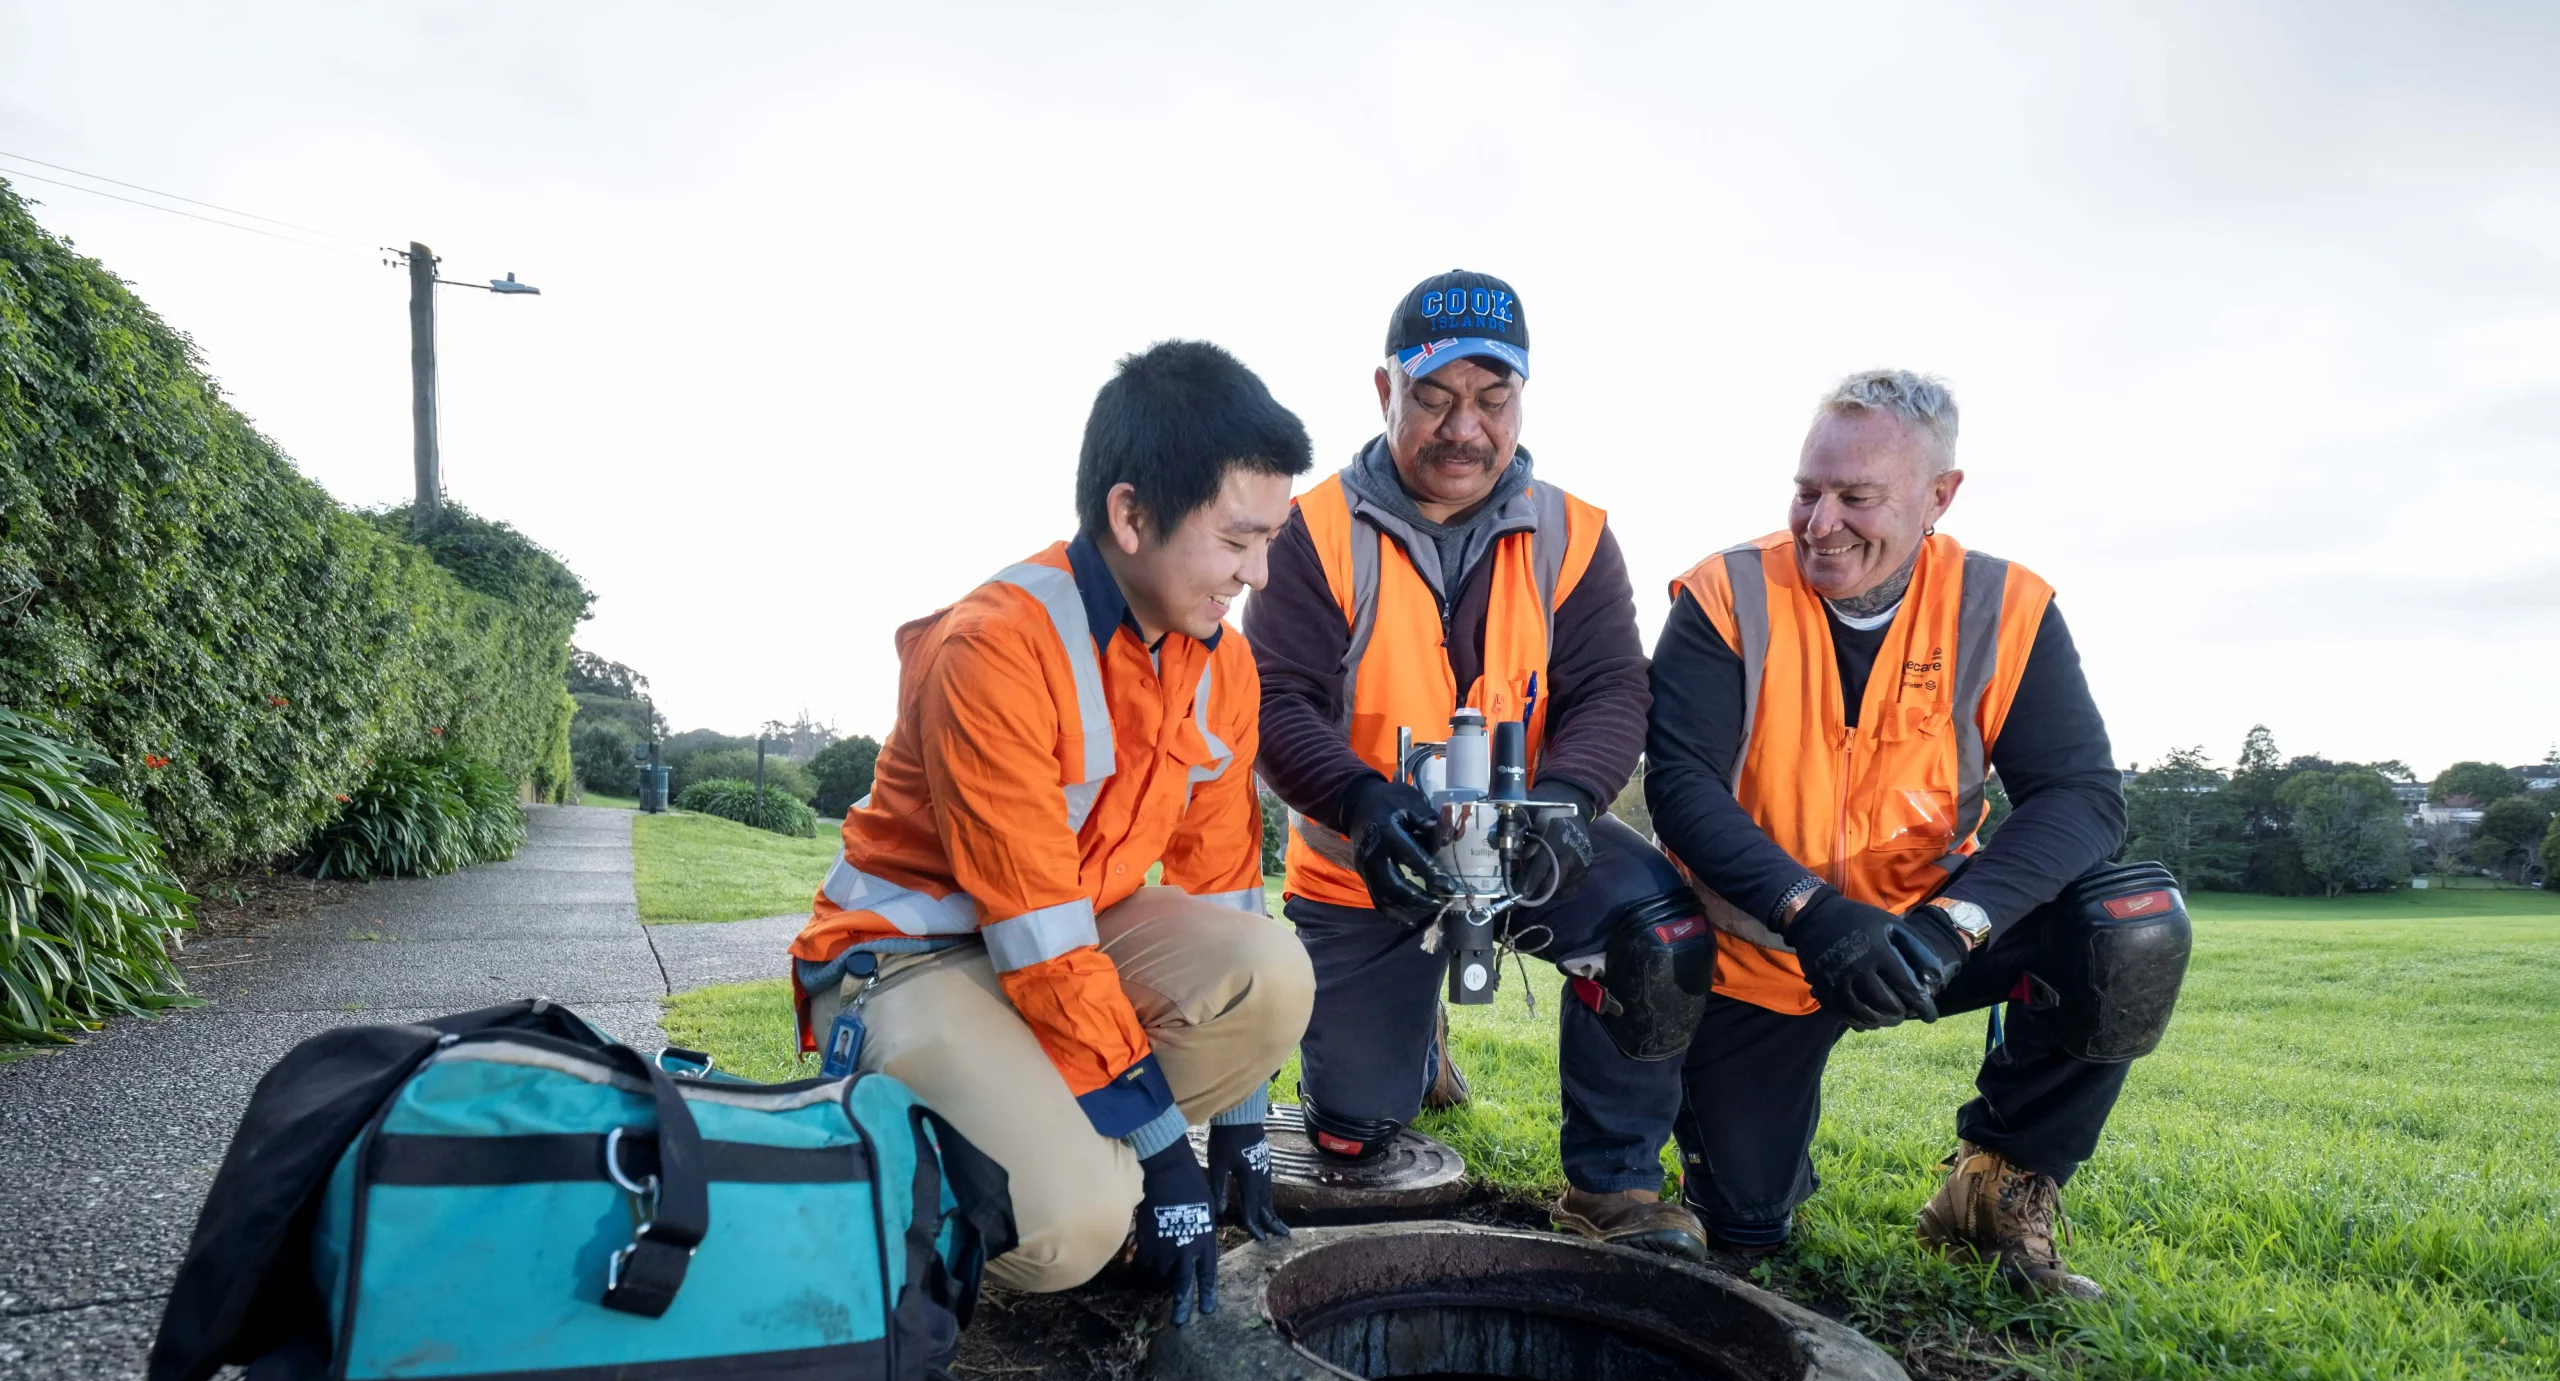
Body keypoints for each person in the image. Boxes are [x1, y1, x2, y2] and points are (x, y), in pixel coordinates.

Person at [789, 341, 1317, 1324]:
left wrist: (1242, 1124)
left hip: (1067, 947)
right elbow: (1035, 928)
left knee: (1272, 967)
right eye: (1239, 541)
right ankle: (998, 1161)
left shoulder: (1222, 666)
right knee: (1067, 1227)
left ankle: (1064, 1138)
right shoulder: (996, 646)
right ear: (1130, 515)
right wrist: (1163, 1156)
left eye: (1273, 540)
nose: (1260, 574)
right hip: (908, 963)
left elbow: (1225, 886)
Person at [1646, 370, 2180, 1300]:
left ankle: (1995, 1190)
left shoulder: (2004, 607)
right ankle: (1732, 1174)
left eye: (1857, 498)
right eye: (1808, 491)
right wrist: (1811, 913)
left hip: (1925, 932)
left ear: (1941, 496)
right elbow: (1681, 788)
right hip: (1766, 944)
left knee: (2130, 924)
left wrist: (1952, 926)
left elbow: (2083, 798)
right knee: (1744, 1232)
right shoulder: (1723, 594)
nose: (1820, 524)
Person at [1247, 270, 1716, 1262]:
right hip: (1370, 860)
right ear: (1384, 392)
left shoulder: (1575, 534)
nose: (1464, 428)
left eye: (1491, 398)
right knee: (1349, 1138)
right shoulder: (1308, 530)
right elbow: (1275, 703)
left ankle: (1616, 1183)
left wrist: (1565, 802)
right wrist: (1364, 806)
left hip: (1528, 843)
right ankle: (1407, 1042)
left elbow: (1609, 696)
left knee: (1657, 932)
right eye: (1434, 396)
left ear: (1521, 400)